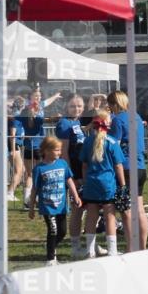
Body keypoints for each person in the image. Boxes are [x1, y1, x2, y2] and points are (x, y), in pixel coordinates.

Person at [28, 136, 82, 265]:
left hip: (61, 205)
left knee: (62, 232)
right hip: (47, 206)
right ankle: (51, 259)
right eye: (57, 150)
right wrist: (31, 207)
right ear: (46, 150)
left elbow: (69, 180)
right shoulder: (39, 169)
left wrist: (76, 196)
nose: (60, 152)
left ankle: (50, 247)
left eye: (60, 150)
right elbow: (34, 189)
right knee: (53, 230)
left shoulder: (62, 164)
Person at [80, 110, 126, 258]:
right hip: (107, 184)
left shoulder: (87, 141)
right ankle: (112, 251)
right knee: (110, 217)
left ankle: (89, 250)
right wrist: (123, 185)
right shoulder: (112, 142)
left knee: (91, 217)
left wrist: (85, 181)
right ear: (107, 124)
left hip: (91, 183)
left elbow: (84, 165)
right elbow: (118, 166)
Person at [107, 91, 148, 252]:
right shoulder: (137, 117)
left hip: (125, 167)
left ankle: (131, 248)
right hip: (140, 167)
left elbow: (113, 144)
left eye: (110, 106)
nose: (110, 109)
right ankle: (142, 247)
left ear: (114, 104)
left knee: (126, 210)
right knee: (139, 209)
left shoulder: (118, 120)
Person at [54, 94, 89, 257]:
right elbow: (64, 152)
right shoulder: (64, 124)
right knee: (77, 208)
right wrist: (72, 176)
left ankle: (90, 245)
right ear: (66, 107)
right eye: (73, 106)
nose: (77, 109)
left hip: (85, 171)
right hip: (74, 172)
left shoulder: (78, 122)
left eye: (80, 106)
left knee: (89, 209)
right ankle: (75, 246)